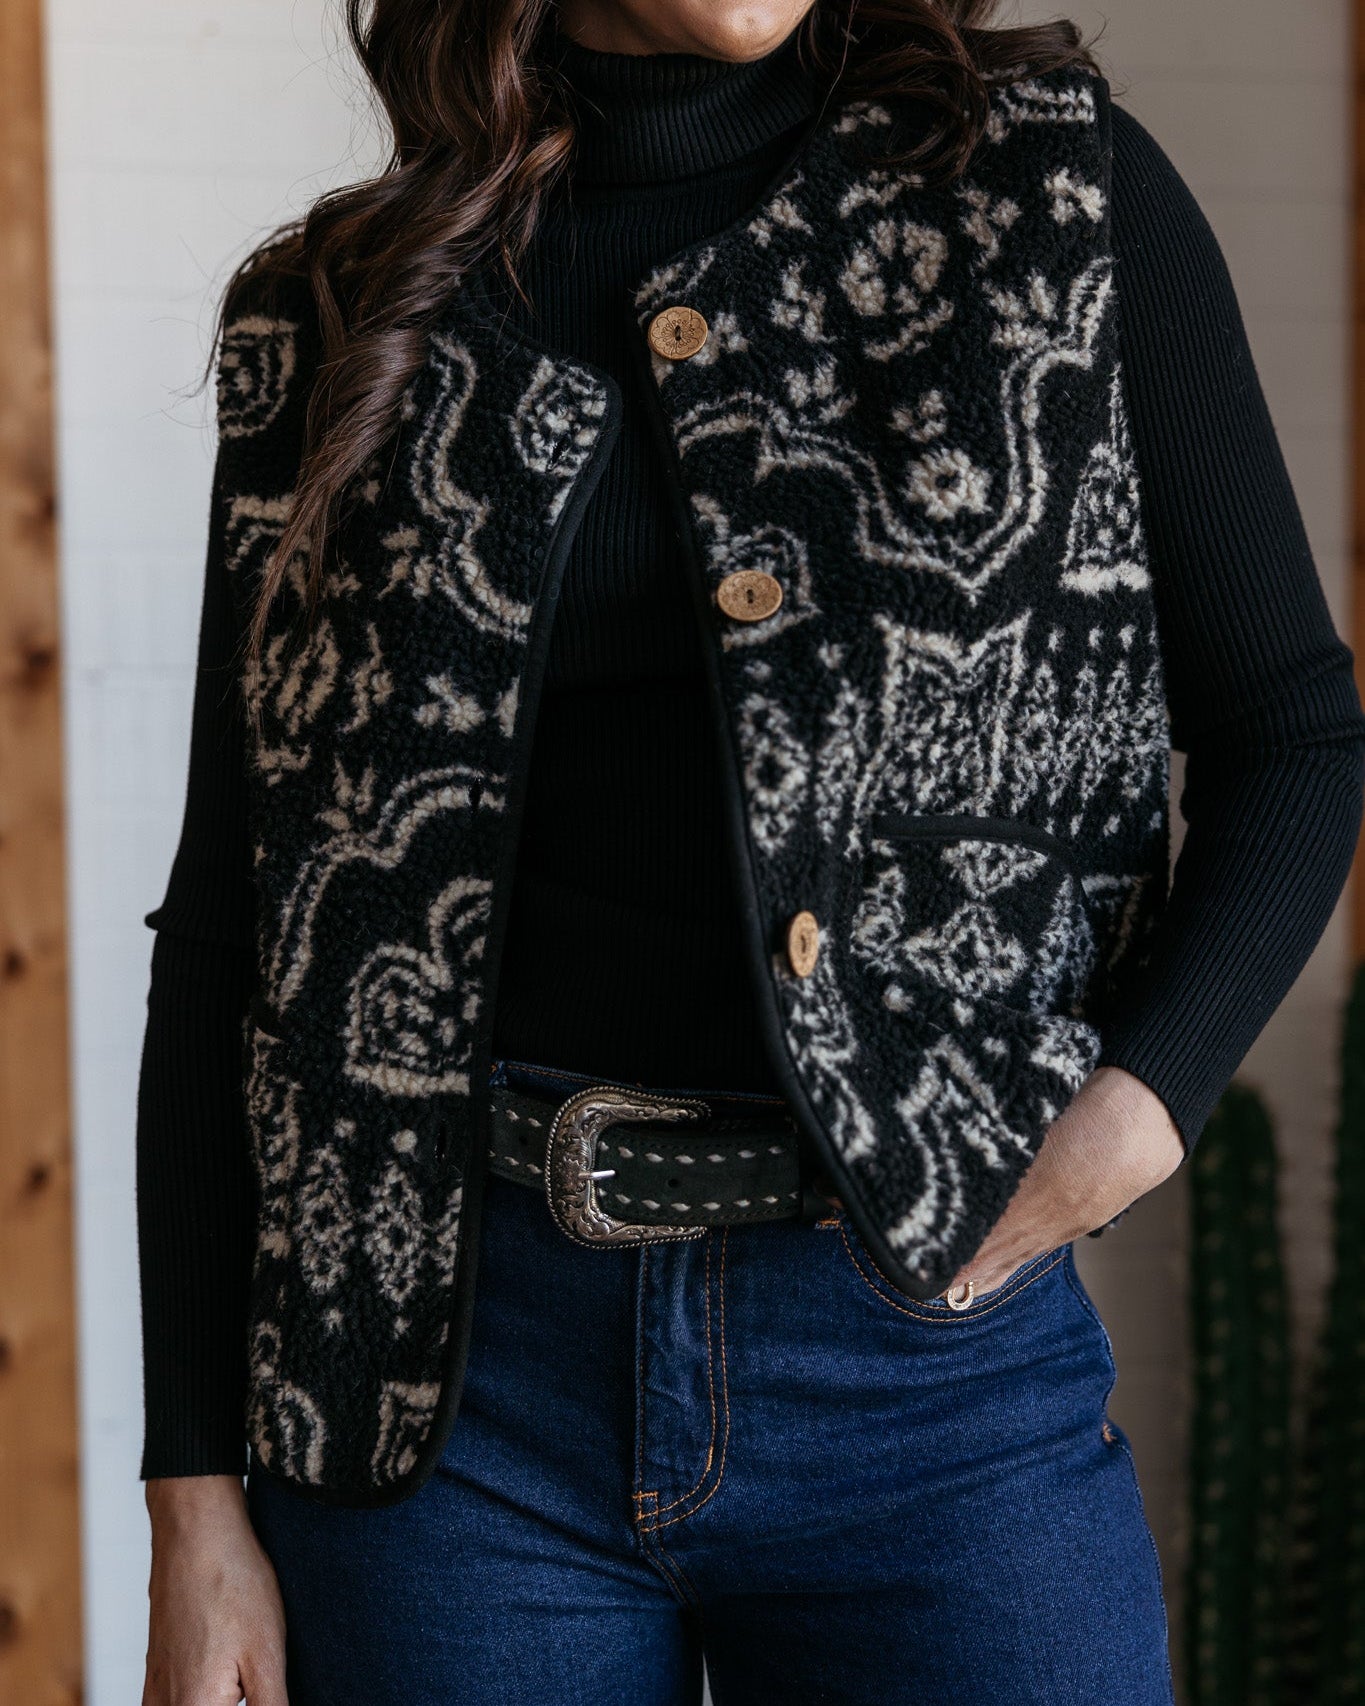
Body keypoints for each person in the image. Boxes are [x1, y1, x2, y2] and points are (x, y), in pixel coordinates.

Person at [137, 0, 1365, 1700]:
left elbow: (1292, 732)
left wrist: (1137, 1109)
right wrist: (193, 1491)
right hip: (443, 1408)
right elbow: (233, 925)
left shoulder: (1049, 199)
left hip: (929, 1367)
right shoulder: (332, 307)